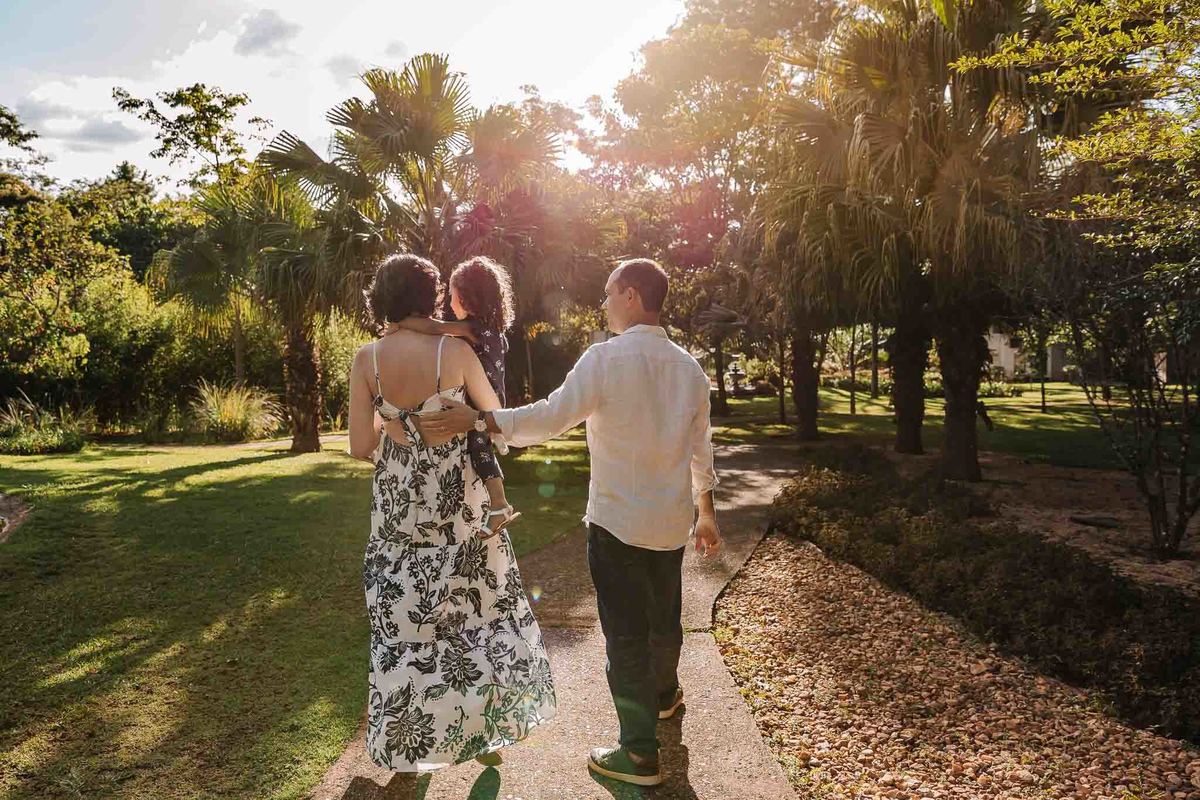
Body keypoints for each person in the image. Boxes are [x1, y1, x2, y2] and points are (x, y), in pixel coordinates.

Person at [424, 258, 722, 788]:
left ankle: (639, 754)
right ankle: (662, 696)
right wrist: (706, 513)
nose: (603, 303)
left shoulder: (605, 358)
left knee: (626, 635)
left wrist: (481, 420)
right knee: (664, 619)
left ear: (631, 295)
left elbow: (549, 415)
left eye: (609, 293)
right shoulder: (690, 369)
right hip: (670, 522)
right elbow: (701, 449)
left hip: (616, 523)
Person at [346, 253, 556, 781]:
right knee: (473, 616)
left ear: (382, 298)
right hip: (459, 508)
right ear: (431, 295)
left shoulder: (366, 359)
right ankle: (480, 729)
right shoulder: (456, 352)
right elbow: (494, 420)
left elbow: (359, 446)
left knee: (404, 626)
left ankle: (408, 750)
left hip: (398, 511)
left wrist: (394, 421)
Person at [397, 256, 520, 536]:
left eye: (452, 295)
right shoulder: (493, 329)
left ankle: (499, 504)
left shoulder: (472, 328)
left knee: (477, 446)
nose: (449, 303)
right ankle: (496, 493)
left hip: (481, 401)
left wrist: (403, 322)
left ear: (466, 297)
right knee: (479, 445)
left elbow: (434, 328)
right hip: (494, 396)